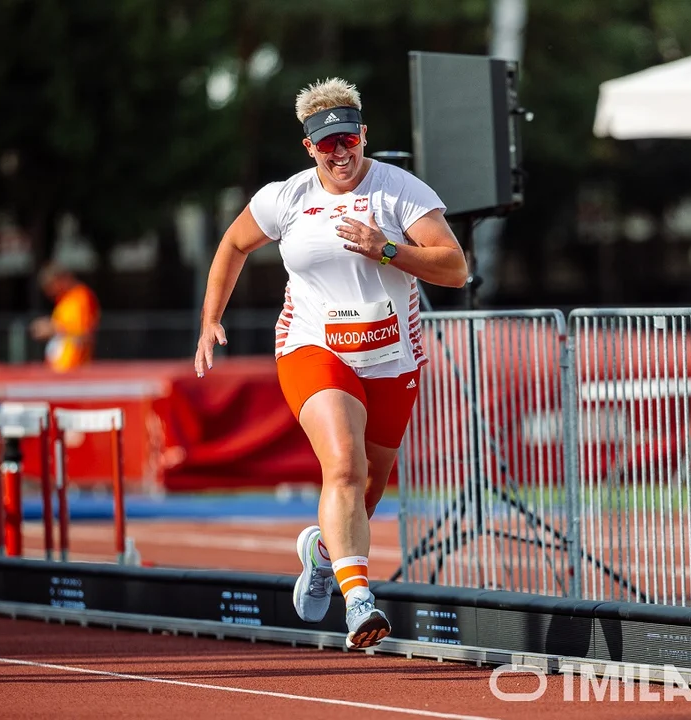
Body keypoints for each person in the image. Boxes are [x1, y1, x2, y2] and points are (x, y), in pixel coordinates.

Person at [194, 77, 467, 650]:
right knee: (342, 466)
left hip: (392, 354)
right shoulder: (286, 197)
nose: (340, 153)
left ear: (364, 135)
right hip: (314, 347)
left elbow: (454, 268)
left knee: (368, 483)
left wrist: (387, 247)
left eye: (348, 139)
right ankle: (360, 599)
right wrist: (210, 319)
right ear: (309, 148)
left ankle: (325, 553)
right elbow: (233, 244)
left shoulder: (402, 192)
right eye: (326, 144)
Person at [29, 262, 100, 372]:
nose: (49, 292)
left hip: (74, 369)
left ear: (62, 278)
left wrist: (52, 328)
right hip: (60, 369)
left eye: (51, 285)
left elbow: (85, 335)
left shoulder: (81, 297)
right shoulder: (63, 300)